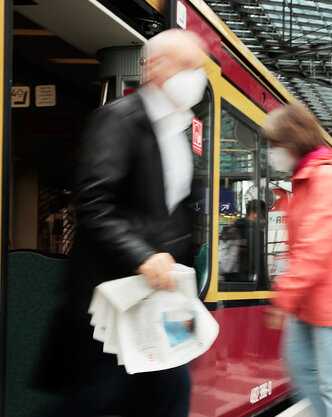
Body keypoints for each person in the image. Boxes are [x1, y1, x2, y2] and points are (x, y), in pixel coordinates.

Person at [39, 29, 207, 416]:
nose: (194, 78)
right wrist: (143, 256)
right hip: (113, 297)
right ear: (153, 68)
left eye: (197, 69)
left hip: (160, 299)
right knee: (98, 399)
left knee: (169, 390)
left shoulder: (179, 132)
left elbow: (173, 214)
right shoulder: (117, 120)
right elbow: (93, 202)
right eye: (186, 66)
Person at [262, 102, 332, 417]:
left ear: (293, 141)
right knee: (302, 367)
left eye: (276, 144)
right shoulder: (307, 178)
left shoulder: (327, 177)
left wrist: (284, 296)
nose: (273, 152)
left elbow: (314, 245)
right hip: (311, 299)